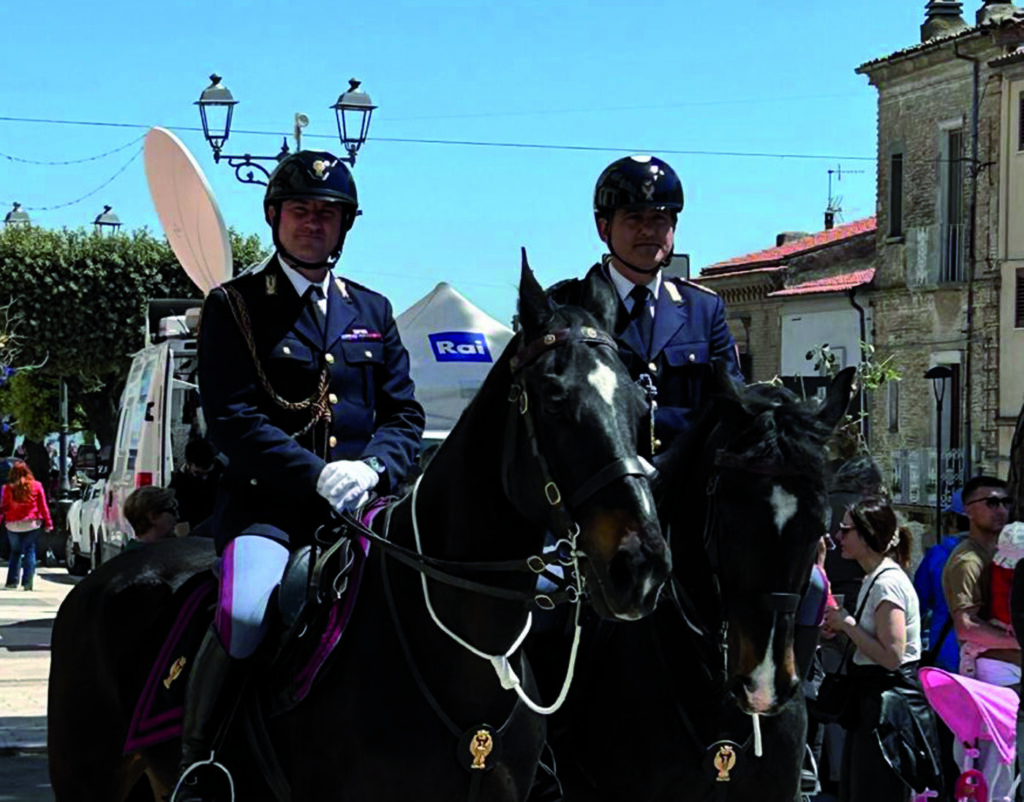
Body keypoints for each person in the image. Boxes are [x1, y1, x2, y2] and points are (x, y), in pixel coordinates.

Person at [172, 150, 424, 801]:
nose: (315, 223)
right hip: (271, 513)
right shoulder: (236, 306)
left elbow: (404, 413)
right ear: (276, 217)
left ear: (346, 226)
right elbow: (231, 419)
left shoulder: (372, 308)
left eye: (329, 213)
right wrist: (313, 476)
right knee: (246, 610)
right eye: (303, 211)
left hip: (370, 513)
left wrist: (374, 467)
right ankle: (203, 760)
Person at [547, 154, 743, 453]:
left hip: (685, 488)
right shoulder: (565, 308)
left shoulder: (703, 309)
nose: (647, 231)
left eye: (659, 219)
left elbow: (732, 404)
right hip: (601, 487)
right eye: (634, 218)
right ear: (604, 228)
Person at [823, 497, 942, 802]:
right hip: (874, 703)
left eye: (846, 530)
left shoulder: (885, 583)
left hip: (889, 709)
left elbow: (892, 656)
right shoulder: (875, 578)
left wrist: (847, 624)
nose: (839, 537)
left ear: (868, 535)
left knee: (877, 790)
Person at [942, 476, 1018, 802]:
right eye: (990, 502)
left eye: (1004, 502)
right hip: (990, 679)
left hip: (1007, 679)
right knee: (990, 778)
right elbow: (966, 627)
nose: (1000, 509)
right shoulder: (967, 559)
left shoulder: (1004, 555)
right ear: (968, 511)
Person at [913, 489, 967, 673]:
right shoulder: (1001, 556)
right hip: (993, 657)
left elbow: (918, 603)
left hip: (946, 651)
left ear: (952, 520)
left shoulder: (938, 554)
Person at [0, 460, 53, 591]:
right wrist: (48, 523)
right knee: (30, 550)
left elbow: (3, 507)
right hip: (32, 524)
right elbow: (43, 506)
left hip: (12, 524)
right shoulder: (37, 486)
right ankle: (27, 582)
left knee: (15, 552)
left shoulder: (7, 488)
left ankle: (12, 581)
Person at [168, 438, 223, 536]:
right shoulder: (179, 484)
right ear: (188, 464)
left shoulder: (223, 473)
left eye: (206, 473)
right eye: (197, 473)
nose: (203, 477)